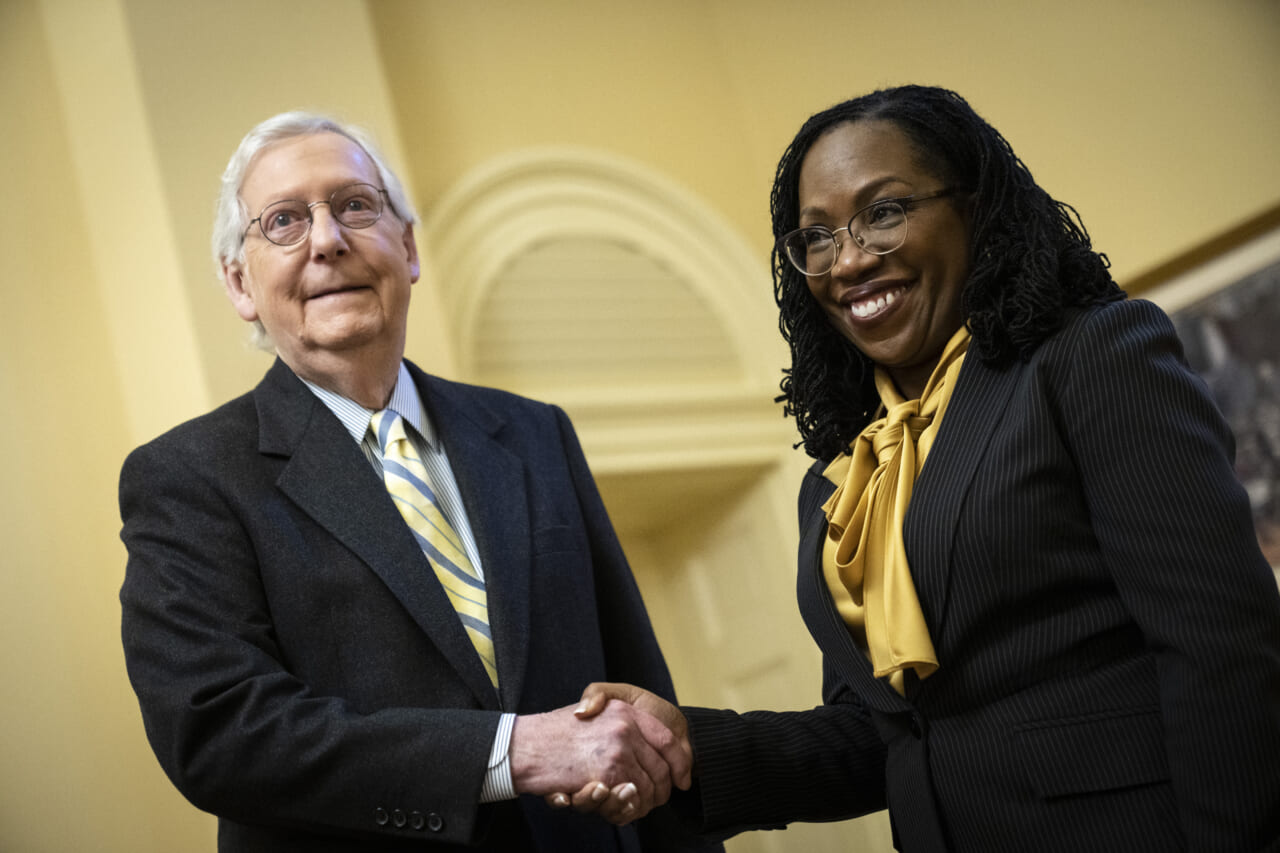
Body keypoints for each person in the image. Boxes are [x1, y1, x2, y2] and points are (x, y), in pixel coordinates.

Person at [566, 85, 1280, 851]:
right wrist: (688, 752)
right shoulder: (844, 479)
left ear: (975, 207)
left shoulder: (1090, 359)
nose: (847, 260)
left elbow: (1222, 651)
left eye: (884, 211)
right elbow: (883, 735)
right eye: (815, 235)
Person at [118, 111, 721, 853]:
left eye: (354, 205)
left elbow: (642, 702)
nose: (328, 239)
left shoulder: (536, 434)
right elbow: (219, 733)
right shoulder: (187, 477)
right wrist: (513, 751)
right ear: (241, 283)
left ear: (406, 246)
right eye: (282, 221)